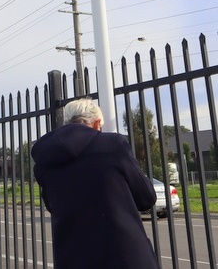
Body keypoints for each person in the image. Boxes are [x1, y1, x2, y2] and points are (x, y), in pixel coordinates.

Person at [31, 98, 160, 269]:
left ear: (68, 122)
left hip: (72, 257)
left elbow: (51, 205)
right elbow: (146, 197)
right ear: (97, 123)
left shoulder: (45, 158)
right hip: (123, 255)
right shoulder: (114, 144)